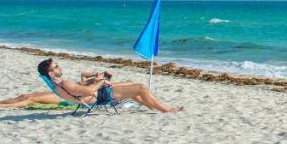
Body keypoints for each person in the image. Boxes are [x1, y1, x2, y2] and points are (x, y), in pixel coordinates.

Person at [37, 58, 183, 113]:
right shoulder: (64, 83)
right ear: (50, 73)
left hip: (97, 94)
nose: (59, 68)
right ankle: (165, 110)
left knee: (131, 83)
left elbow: (81, 88)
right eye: (56, 67)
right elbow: (89, 91)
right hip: (101, 96)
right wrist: (100, 80)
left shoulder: (59, 86)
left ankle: (151, 105)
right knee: (141, 88)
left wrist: (96, 78)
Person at [0, 69, 114, 108]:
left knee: (30, 99)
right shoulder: (91, 81)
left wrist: (100, 80)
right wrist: (97, 75)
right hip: (63, 92)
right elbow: (83, 75)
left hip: (66, 99)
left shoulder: (96, 86)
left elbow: (87, 92)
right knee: (25, 95)